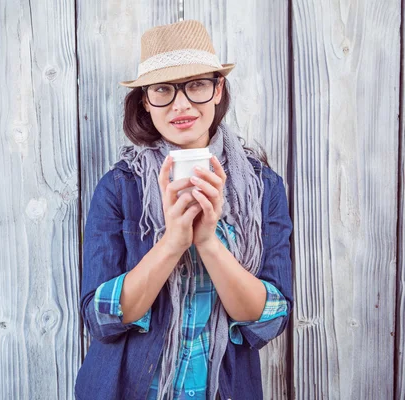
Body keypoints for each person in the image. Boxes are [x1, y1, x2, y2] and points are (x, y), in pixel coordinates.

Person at [75, 19, 293, 400]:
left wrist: (208, 242)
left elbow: (269, 318)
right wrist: (173, 242)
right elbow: (101, 317)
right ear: (145, 99)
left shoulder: (264, 188)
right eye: (163, 89)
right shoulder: (119, 187)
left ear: (217, 88)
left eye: (196, 85)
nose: (181, 103)